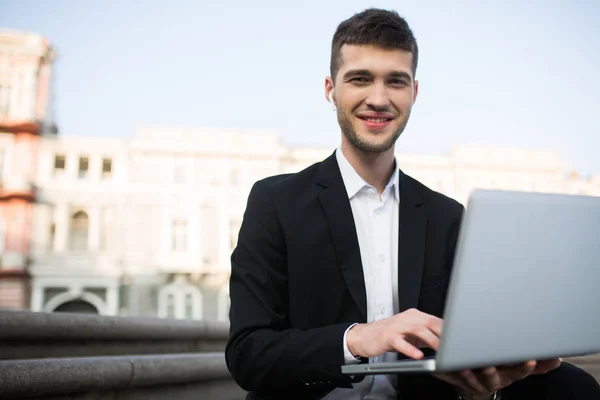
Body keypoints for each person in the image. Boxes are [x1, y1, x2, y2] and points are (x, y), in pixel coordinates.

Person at [225, 8, 600, 400]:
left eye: (396, 82)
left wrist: (485, 387)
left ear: (414, 93)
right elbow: (247, 353)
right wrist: (358, 339)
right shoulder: (275, 202)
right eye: (360, 79)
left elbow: (467, 346)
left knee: (573, 387)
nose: (378, 98)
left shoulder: (447, 216)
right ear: (330, 89)